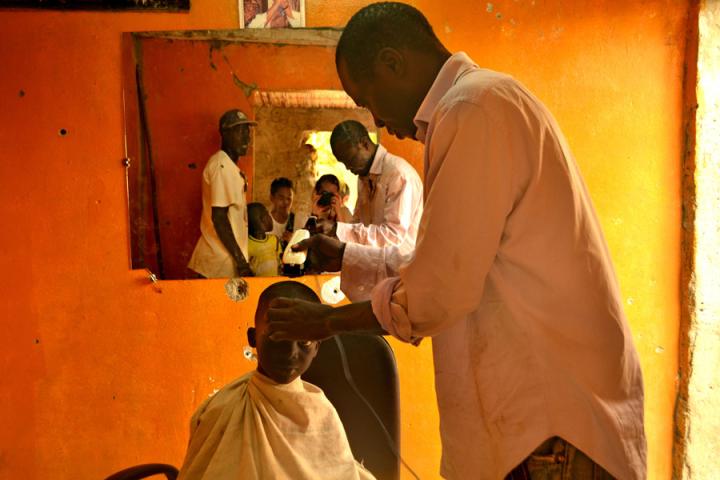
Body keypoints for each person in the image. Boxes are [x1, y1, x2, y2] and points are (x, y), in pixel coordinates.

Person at [267, 3, 646, 480]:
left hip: (546, 429)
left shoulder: (472, 109)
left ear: (393, 62)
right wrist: (346, 254)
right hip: (538, 427)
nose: (377, 121)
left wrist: (328, 321)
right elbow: (439, 264)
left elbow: (439, 290)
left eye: (368, 98)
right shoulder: (480, 104)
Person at [177, 281, 375, 480]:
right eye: (276, 336)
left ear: (317, 347)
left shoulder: (320, 413)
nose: (290, 353)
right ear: (253, 338)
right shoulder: (220, 411)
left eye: (304, 341)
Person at [328, 120, 423, 256]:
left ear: (365, 144)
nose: (348, 167)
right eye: (344, 162)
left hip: (401, 272)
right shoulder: (363, 178)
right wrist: (333, 232)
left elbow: (392, 237)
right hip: (376, 268)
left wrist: (338, 229)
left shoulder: (398, 174)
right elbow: (359, 223)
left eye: (351, 158)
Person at [188, 109, 255, 278]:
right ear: (224, 133)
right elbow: (219, 218)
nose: (247, 138)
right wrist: (242, 263)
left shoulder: (230, 168)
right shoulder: (221, 166)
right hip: (217, 263)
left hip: (224, 261)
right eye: (240, 131)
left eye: (248, 132)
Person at [268, 177, 306, 250]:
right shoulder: (263, 222)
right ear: (272, 198)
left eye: (289, 199)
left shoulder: (298, 222)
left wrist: (294, 242)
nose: (285, 202)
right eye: (281, 198)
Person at [247, 203, 282, 276]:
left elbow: (280, 265)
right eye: (267, 214)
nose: (270, 217)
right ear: (262, 220)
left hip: (275, 283)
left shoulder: (274, 240)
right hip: (259, 285)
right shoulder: (247, 244)